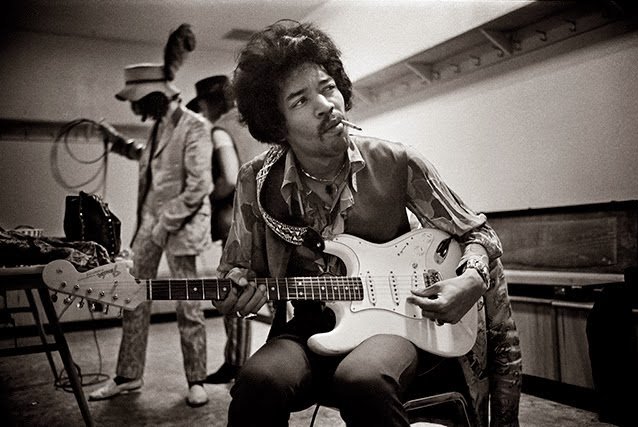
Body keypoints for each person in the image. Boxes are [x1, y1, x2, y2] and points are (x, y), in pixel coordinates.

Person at [212, 20, 522, 427]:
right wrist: (236, 294)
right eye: (300, 101)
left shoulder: (397, 161)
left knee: (363, 381)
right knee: (256, 383)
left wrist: (471, 280)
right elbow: (234, 271)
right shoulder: (257, 181)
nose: (325, 104)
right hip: (308, 326)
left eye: (327, 87)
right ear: (277, 123)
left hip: (393, 322)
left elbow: (477, 232)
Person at [89, 24, 212, 407]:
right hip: (150, 227)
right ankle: (127, 376)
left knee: (188, 305)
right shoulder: (160, 127)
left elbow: (198, 185)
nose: (135, 110)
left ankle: (197, 380)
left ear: (156, 96)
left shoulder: (195, 127)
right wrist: (117, 143)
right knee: (132, 298)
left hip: (180, 229)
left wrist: (162, 224)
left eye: (138, 103)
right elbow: (149, 157)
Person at [186, 75, 266, 383]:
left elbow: (231, 178)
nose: (203, 111)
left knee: (237, 288)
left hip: (241, 222)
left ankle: (236, 363)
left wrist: (206, 195)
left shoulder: (221, 129)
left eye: (203, 105)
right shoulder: (257, 123)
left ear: (211, 103)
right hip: (275, 219)